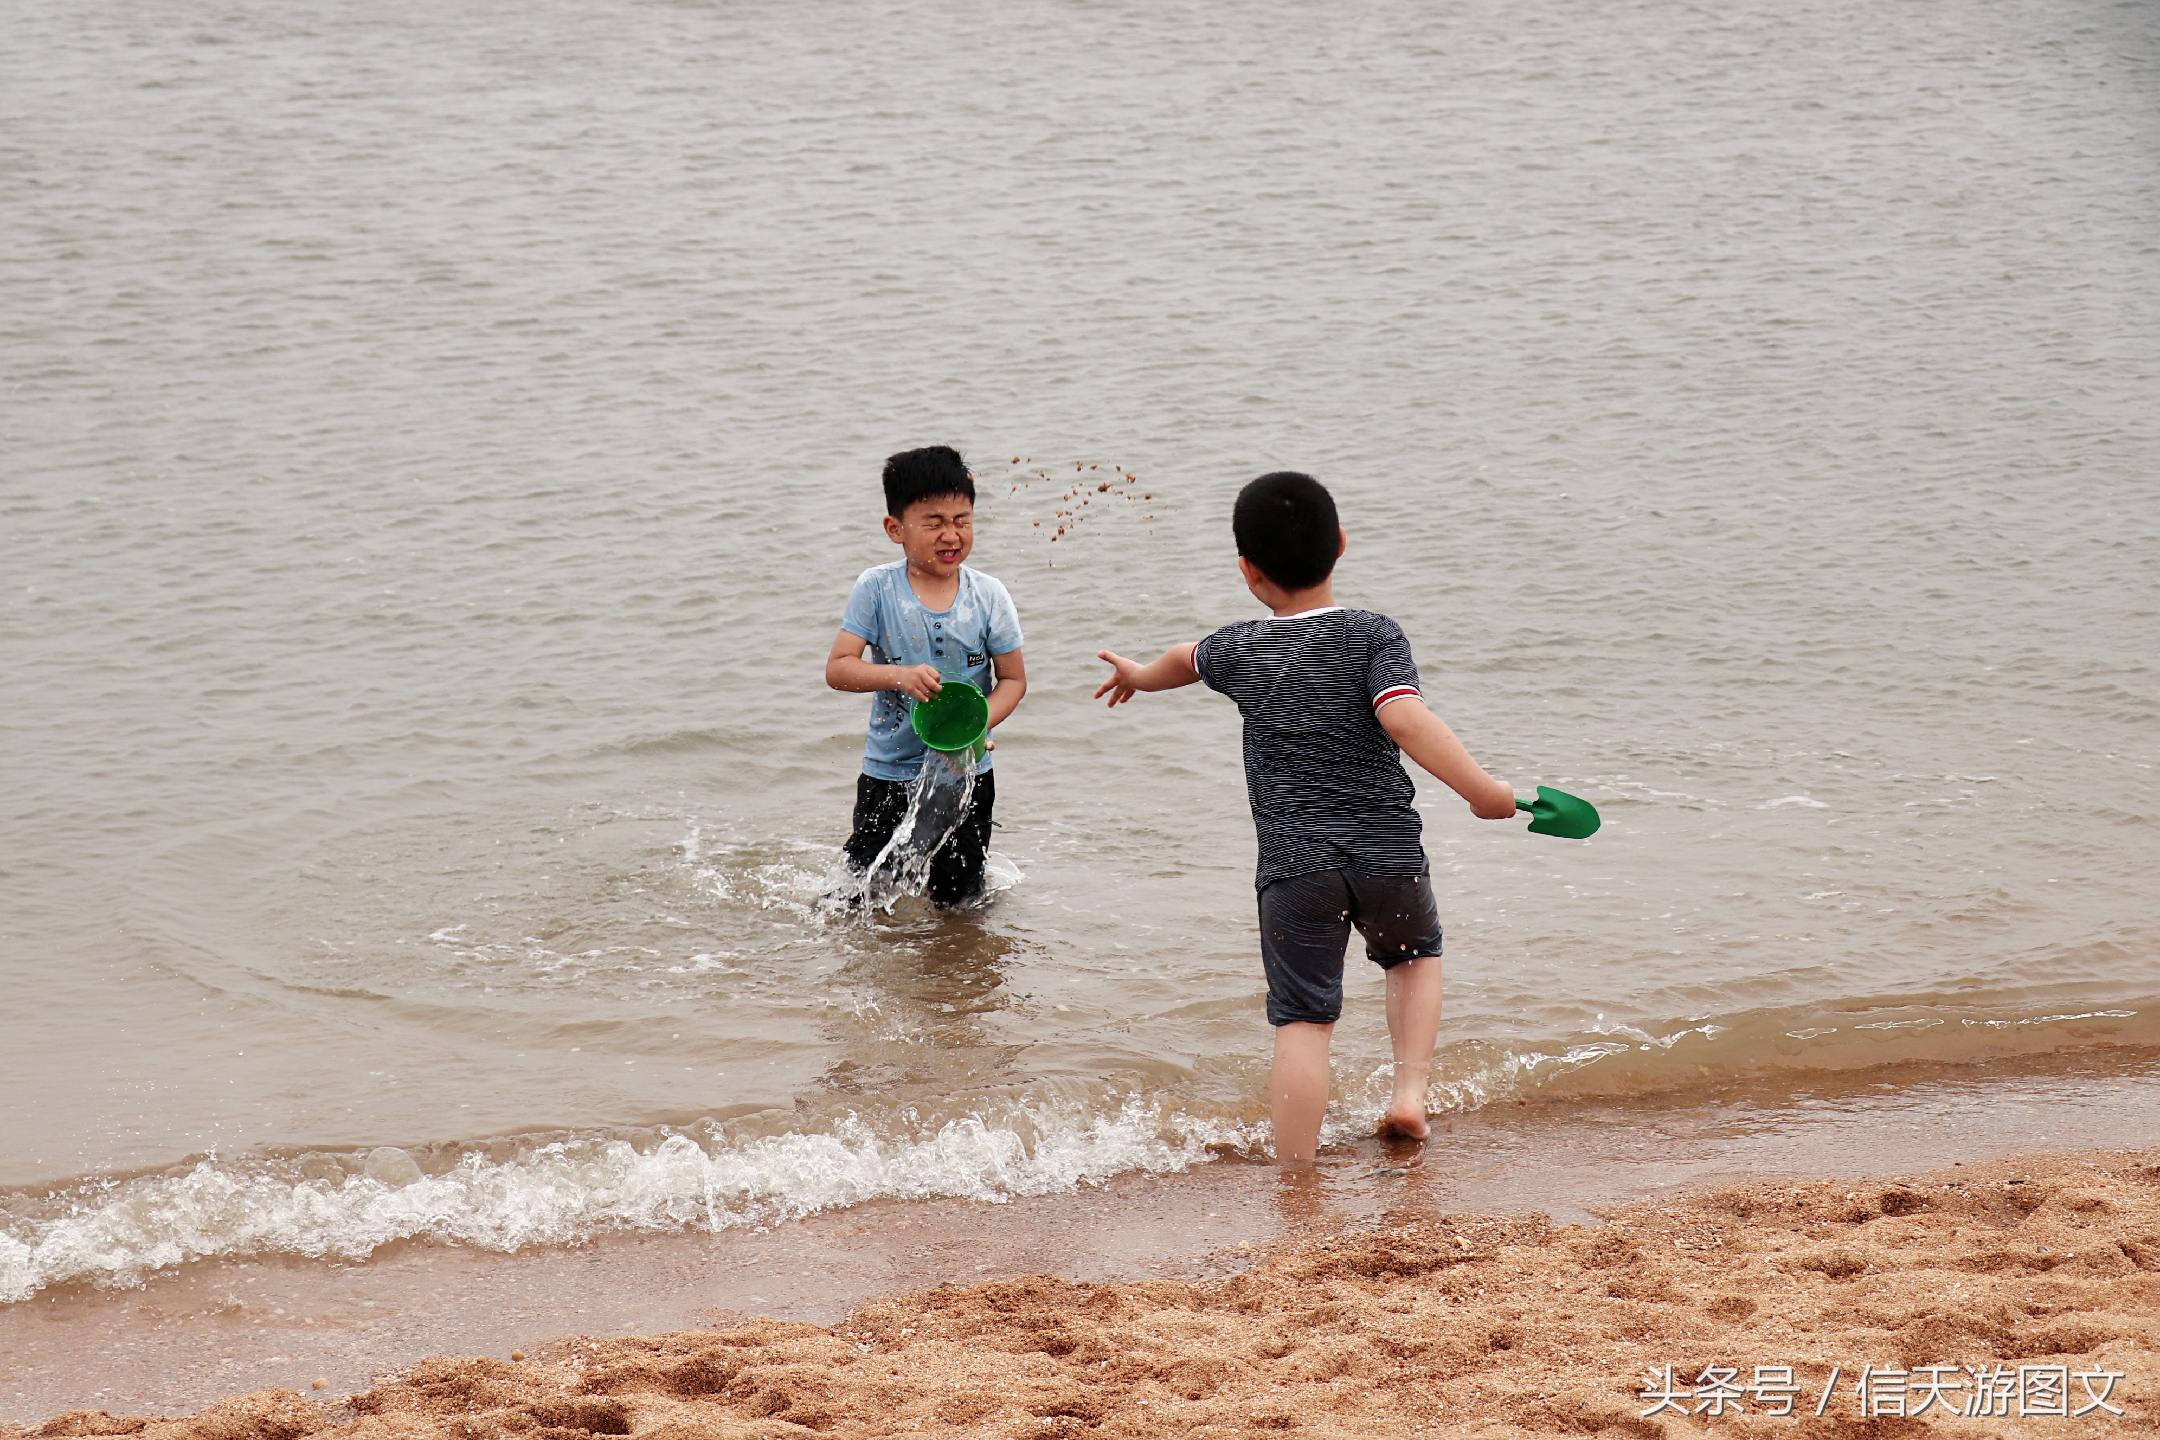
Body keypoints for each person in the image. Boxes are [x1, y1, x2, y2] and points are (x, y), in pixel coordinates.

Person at [1093, 472, 1517, 1163]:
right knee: (1413, 959)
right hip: (1386, 855)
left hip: (1296, 871)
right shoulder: (1373, 634)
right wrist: (1484, 792)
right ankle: (1409, 1096)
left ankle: (1296, 1174)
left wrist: (1137, 675)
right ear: (1340, 543)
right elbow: (1403, 717)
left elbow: (1182, 659)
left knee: (1303, 1020)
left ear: (1248, 570)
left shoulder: (1238, 647)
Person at [826, 446, 1026, 905]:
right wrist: (899, 676)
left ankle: (951, 954)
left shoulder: (989, 595)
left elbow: (1013, 681)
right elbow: (838, 668)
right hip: (889, 774)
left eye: (962, 520)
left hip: (967, 773)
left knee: (961, 903)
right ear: (895, 528)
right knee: (860, 896)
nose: (950, 534)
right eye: (933, 522)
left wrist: (979, 724)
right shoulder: (876, 589)